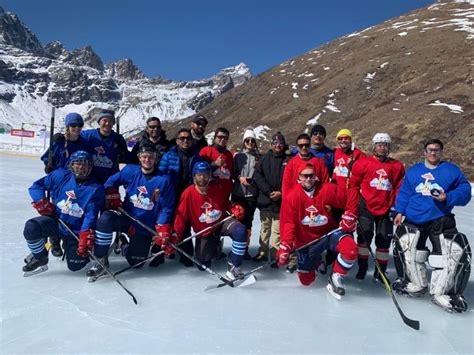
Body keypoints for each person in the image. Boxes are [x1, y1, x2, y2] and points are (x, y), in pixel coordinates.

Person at [392, 139, 471, 313]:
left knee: (450, 254)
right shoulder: (415, 171)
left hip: (440, 218)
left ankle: (443, 292)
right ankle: (415, 283)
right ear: (424, 152)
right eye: (430, 150)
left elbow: (465, 191)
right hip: (414, 218)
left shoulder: (451, 171)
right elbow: (405, 192)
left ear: (441, 151)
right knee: (410, 250)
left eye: (437, 150)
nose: (433, 153)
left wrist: (448, 197)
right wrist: (399, 211)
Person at [89, 144, 175, 277]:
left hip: (143, 225)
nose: (147, 160)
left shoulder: (164, 180)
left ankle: (123, 244)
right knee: (105, 219)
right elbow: (110, 182)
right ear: (139, 157)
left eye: (151, 157)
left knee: (137, 263)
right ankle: (100, 259)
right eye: (144, 156)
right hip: (126, 216)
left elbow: (166, 207)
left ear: (155, 158)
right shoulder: (130, 171)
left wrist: (162, 226)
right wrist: (111, 194)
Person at [276, 163, 359, 298]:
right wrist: (285, 246)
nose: (308, 179)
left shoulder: (326, 189)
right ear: (299, 178)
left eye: (311, 175)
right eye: (305, 176)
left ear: (316, 177)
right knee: (306, 280)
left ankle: (336, 277)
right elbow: (288, 223)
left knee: (350, 250)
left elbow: (352, 195)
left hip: (329, 234)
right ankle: (318, 261)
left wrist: (350, 214)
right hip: (306, 241)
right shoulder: (292, 197)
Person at [22, 151, 105, 275]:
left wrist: (84, 234)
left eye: (85, 165)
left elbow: (90, 215)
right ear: (71, 165)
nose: (81, 167)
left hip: (75, 230)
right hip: (56, 222)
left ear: (90, 167)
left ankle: (89, 253)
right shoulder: (60, 176)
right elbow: (36, 187)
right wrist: (40, 201)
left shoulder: (95, 188)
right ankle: (40, 257)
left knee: (75, 266)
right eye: (77, 164)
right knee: (31, 227)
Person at [166, 161, 247, 280]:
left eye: (205, 174)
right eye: (199, 175)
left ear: (209, 175)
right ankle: (215, 248)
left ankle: (234, 266)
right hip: (205, 231)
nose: (202, 178)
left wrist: (233, 208)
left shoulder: (216, 188)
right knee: (203, 265)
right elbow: (181, 217)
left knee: (240, 231)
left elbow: (225, 203)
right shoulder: (188, 193)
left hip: (221, 223)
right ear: (194, 176)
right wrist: (176, 235)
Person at [350, 133, 405, 282]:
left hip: (386, 207)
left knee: (383, 241)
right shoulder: (363, 163)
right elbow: (353, 186)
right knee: (364, 239)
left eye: (385, 145)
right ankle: (362, 268)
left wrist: (397, 208)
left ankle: (380, 272)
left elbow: (399, 188)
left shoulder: (397, 166)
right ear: (373, 146)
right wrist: (353, 207)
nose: (382, 147)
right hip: (366, 206)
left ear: (389, 147)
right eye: (379, 144)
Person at [40, 112, 92, 257]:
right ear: (68, 126)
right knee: (57, 210)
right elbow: (47, 158)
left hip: (76, 182)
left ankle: (69, 239)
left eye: (79, 125)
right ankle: (55, 241)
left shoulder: (83, 143)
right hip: (60, 182)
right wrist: (49, 165)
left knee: (72, 211)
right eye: (73, 125)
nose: (77, 128)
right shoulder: (59, 142)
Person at [281, 133, 330, 272]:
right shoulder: (291, 164)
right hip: (296, 205)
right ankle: (294, 259)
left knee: (317, 231)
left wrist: (326, 202)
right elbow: (286, 187)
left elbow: (325, 183)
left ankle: (319, 259)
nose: (304, 147)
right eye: (301, 145)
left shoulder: (318, 162)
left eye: (306, 145)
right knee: (296, 232)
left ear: (310, 146)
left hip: (315, 204)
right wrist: (287, 205)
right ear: (297, 146)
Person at [158, 128, 203, 267]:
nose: (185, 141)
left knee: (185, 224)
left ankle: (186, 253)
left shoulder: (196, 156)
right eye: (182, 138)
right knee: (169, 223)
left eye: (188, 138)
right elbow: (161, 173)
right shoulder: (169, 156)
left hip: (188, 195)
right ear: (177, 141)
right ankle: (165, 251)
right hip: (172, 193)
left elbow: (203, 172)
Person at [252, 132, 290, 262]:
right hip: (265, 201)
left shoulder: (288, 160)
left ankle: (275, 255)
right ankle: (262, 252)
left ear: (284, 145)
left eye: (280, 143)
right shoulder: (264, 159)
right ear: (271, 144)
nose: (278, 145)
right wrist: (268, 192)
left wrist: (281, 193)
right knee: (264, 229)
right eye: (275, 143)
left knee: (277, 231)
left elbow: (291, 180)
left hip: (281, 202)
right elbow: (257, 176)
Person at [231, 127, 260, 259]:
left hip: (251, 195)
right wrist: (239, 178)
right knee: (237, 223)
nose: (249, 143)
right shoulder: (238, 156)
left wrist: (253, 181)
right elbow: (233, 172)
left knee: (248, 223)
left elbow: (261, 175)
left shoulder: (259, 158)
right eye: (247, 140)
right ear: (243, 142)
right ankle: (236, 249)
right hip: (238, 194)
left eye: (252, 141)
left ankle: (245, 249)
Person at [80, 110, 131, 183]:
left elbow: (125, 158)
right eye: (104, 120)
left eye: (110, 121)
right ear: (99, 122)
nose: (107, 123)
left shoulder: (118, 139)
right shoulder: (89, 135)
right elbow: (73, 137)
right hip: (90, 182)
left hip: (111, 182)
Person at [199, 127, 234, 197]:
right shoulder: (205, 151)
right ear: (215, 137)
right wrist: (214, 164)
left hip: (225, 193)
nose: (223, 139)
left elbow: (231, 172)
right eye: (220, 137)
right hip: (209, 193)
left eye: (225, 138)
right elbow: (199, 172)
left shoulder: (229, 154)